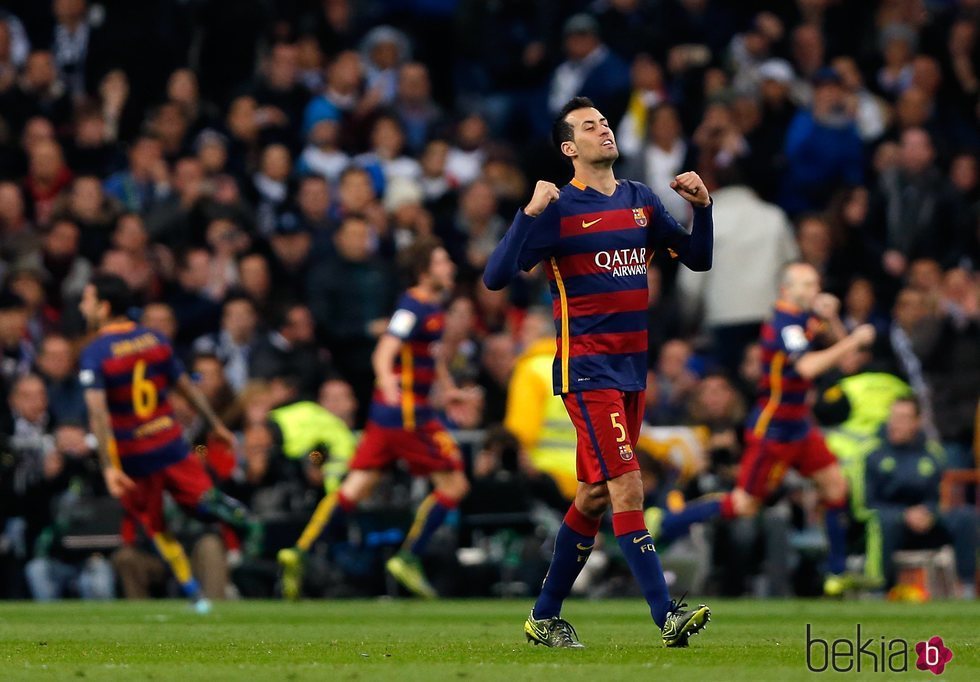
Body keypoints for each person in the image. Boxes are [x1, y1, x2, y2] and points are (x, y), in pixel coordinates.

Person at [483, 96, 714, 648]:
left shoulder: (640, 199)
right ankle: (667, 614)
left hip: (632, 371)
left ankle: (544, 616)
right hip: (587, 370)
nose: (603, 130)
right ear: (570, 148)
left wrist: (703, 209)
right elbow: (496, 276)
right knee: (628, 486)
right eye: (590, 126)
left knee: (592, 496)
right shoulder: (559, 208)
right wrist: (529, 213)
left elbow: (698, 259)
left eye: (606, 123)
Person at [653, 263, 877, 596]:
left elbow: (845, 361)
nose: (814, 288)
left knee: (835, 487)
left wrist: (833, 321)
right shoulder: (785, 324)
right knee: (744, 504)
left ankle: (836, 572)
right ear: (787, 289)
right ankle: (666, 521)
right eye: (806, 283)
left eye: (816, 281)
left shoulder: (805, 319)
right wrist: (856, 338)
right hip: (773, 431)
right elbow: (808, 366)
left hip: (800, 426)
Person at [278, 236, 469, 600]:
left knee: (356, 486)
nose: (450, 268)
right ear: (424, 270)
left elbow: (431, 357)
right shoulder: (411, 307)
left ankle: (299, 551)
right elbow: (384, 350)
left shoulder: (432, 308)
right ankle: (409, 556)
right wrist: (385, 378)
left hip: (386, 416)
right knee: (455, 484)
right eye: (443, 262)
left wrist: (449, 389)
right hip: (407, 414)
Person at [79, 274, 260, 614]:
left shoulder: (96, 353)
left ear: (103, 307)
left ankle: (194, 594)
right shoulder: (153, 339)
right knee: (204, 502)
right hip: (170, 444)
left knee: (153, 524)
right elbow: (186, 388)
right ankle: (242, 519)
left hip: (134, 456)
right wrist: (216, 424)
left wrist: (108, 467)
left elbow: (99, 415)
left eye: (86, 301)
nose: (81, 306)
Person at [863, 398, 976, 598]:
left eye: (903, 418)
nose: (896, 423)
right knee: (883, 523)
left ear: (917, 422)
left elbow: (939, 497)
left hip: (926, 522)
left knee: (966, 517)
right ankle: (879, 591)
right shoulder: (872, 455)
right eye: (893, 417)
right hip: (890, 522)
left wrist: (929, 512)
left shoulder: (932, 454)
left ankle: (967, 588)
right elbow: (865, 504)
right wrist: (903, 514)